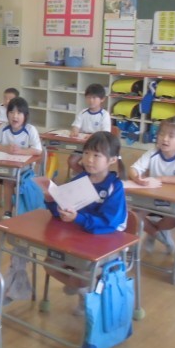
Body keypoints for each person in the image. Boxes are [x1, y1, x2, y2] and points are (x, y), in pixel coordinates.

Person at [42, 132, 127, 315]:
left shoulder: (114, 187)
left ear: (112, 160)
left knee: (84, 275)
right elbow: (64, 210)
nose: (89, 159)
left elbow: (108, 223)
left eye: (96, 155)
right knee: (49, 264)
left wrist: (78, 218)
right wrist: (51, 201)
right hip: (80, 237)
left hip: (108, 243)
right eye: (86, 153)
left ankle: (82, 292)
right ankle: (79, 287)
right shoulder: (80, 179)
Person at [128, 116, 175, 255]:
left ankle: (154, 233)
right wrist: (136, 178)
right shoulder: (152, 153)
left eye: (171, 136)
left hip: (173, 201)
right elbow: (133, 169)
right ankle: (158, 235)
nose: (165, 139)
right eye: (161, 134)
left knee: (174, 219)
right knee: (134, 215)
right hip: (152, 199)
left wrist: (161, 178)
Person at [0, 97, 42, 218]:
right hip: (0, 166)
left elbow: (38, 150)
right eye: (11, 112)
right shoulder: (3, 127)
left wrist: (21, 151)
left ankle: (7, 212)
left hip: (21, 169)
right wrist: (6, 149)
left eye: (19, 113)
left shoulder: (30, 130)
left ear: (25, 115)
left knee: (9, 179)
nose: (14, 116)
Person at [69, 83, 112, 174]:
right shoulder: (83, 112)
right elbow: (76, 126)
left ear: (102, 99)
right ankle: (85, 176)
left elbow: (105, 133)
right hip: (82, 145)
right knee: (71, 161)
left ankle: (90, 176)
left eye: (94, 98)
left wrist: (92, 136)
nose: (91, 100)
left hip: (98, 146)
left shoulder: (104, 115)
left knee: (92, 163)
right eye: (88, 97)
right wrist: (75, 131)